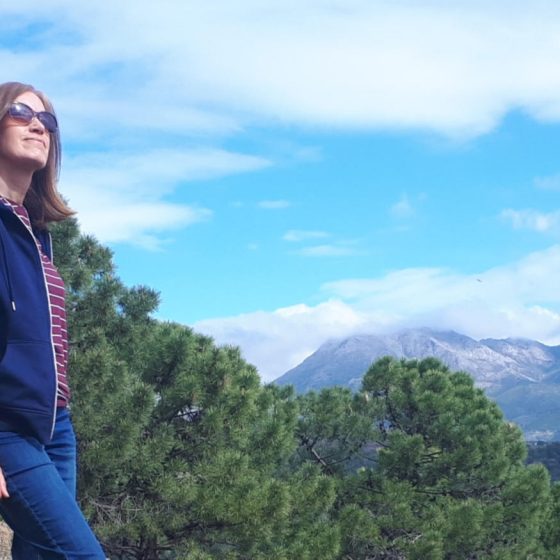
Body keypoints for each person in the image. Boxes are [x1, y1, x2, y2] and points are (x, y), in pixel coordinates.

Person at [0, 82, 106, 559]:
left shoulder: (33, 231)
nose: (38, 124)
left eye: (48, 120)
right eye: (21, 112)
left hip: (55, 426)